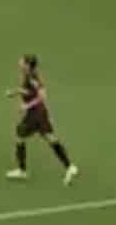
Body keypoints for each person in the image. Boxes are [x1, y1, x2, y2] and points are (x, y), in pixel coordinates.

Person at [6, 54, 76, 182]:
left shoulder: (33, 78)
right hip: (40, 113)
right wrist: (16, 92)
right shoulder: (27, 75)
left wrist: (27, 106)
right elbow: (28, 91)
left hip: (35, 114)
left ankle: (22, 171)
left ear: (27, 65)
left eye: (22, 61)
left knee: (20, 135)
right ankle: (69, 166)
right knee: (50, 138)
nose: (19, 62)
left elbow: (42, 96)